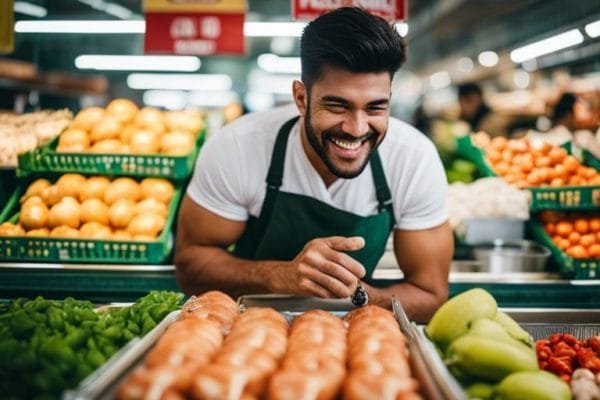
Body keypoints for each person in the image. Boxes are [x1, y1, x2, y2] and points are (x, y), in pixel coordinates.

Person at [174, 7, 453, 322]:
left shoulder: (413, 159)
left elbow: (431, 295)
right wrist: (280, 275)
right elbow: (190, 267)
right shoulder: (237, 148)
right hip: (246, 333)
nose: (357, 128)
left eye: (375, 107)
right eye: (337, 106)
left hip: (358, 338)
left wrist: (359, 294)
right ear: (301, 98)